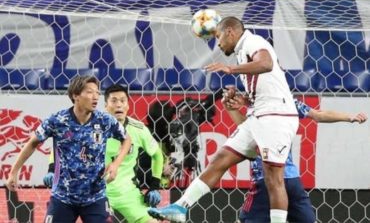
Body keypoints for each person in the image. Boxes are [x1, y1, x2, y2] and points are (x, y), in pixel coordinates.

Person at [149, 16, 299, 223]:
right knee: (220, 158)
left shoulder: (254, 42)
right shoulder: (242, 52)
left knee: (274, 178)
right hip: (260, 115)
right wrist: (242, 98)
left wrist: (230, 69)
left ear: (230, 31)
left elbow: (266, 63)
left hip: (276, 117)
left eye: (218, 37)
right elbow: (266, 86)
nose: (217, 44)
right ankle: (180, 208)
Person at [221, 86, 368, 223]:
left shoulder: (258, 106)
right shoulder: (288, 103)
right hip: (291, 180)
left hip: (266, 181)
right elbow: (318, 115)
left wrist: (349, 117)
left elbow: (249, 134)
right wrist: (349, 117)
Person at [5, 75, 132, 223]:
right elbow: (33, 143)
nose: (95, 96)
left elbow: (126, 139)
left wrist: (116, 164)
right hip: (63, 198)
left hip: (95, 197)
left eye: (97, 92)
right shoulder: (58, 120)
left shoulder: (104, 121)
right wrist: (14, 172)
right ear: (75, 95)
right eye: (90, 92)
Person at [44, 84, 164, 223]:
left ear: (128, 106)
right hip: (95, 193)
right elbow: (61, 146)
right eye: (114, 101)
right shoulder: (90, 125)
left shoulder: (139, 129)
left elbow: (157, 155)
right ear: (106, 106)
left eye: (122, 101)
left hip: (127, 193)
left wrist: (155, 186)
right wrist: (52, 169)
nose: (119, 105)